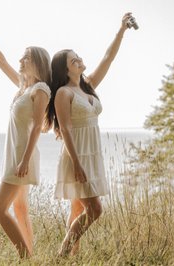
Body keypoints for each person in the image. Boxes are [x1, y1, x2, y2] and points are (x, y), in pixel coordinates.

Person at [46, 12, 133, 256]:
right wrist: (76, 163)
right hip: (77, 156)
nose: (79, 60)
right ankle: (62, 254)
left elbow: (108, 58)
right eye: (74, 60)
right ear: (65, 69)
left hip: (92, 154)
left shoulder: (88, 86)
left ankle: (71, 255)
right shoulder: (64, 93)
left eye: (78, 58)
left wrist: (121, 31)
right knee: (95, 209)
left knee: (80, 208)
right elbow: (65, 128)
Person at [0, 15, 51, 258]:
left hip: (22, 156)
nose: (20, 60)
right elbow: (0, 61)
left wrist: (25, 160)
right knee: (19, 207)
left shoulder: (40, 90)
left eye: (26, 57)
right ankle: (31, 258)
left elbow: (38, 125)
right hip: (16, 155)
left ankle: (25, 256)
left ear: (37, 63)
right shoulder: (24, 87)